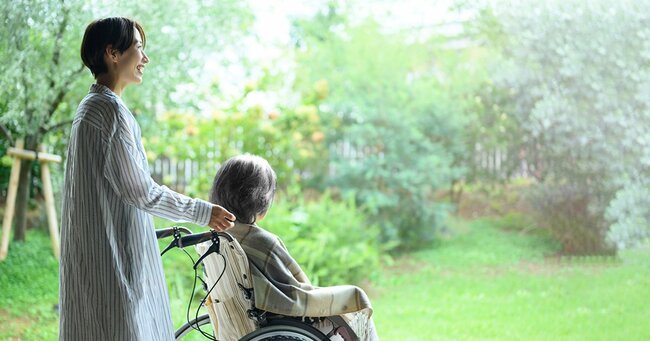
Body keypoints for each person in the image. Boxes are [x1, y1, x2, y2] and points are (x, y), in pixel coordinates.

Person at [59, 17, 235, 340]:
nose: (145, 59)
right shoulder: (109, 113)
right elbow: (143, 193)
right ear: (113, 53)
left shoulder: (89, 108)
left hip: (96, 260)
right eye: (139, 48)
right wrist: (203, 212)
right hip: (112, 265)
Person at [208, 154, 379, 341]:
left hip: (240, 325)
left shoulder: (214, 240)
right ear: (262, 202)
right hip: (282, 327)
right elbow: (291, 296)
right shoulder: (260, 241)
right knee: (356, 299)